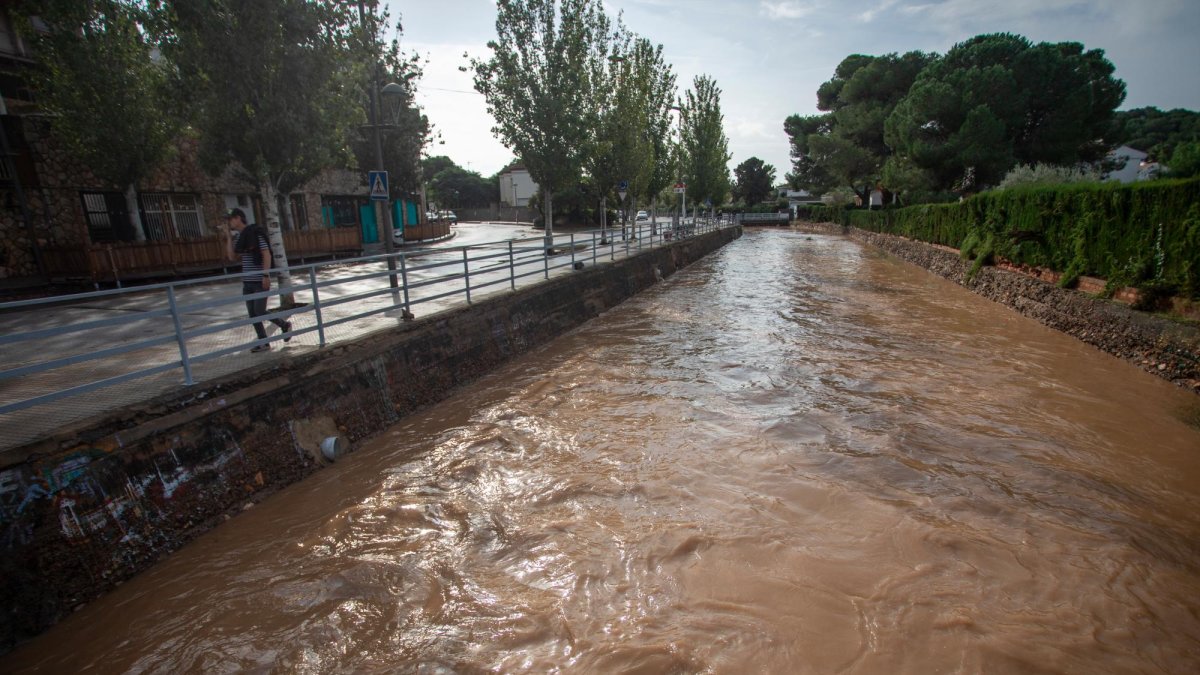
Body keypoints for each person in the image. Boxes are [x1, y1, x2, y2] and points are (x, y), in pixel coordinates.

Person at [222, 208, 290, 352]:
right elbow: (232, 257)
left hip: (259, 280)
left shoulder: (254, 233)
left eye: (230, 219)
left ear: (238, 218)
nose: (229, 223)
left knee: (259, 311)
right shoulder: (240, 238)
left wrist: (265, 275)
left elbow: (266, 254)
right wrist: (228, 237)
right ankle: (264, 342)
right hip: (247, 281)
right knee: (253, 314)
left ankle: (284, 325)